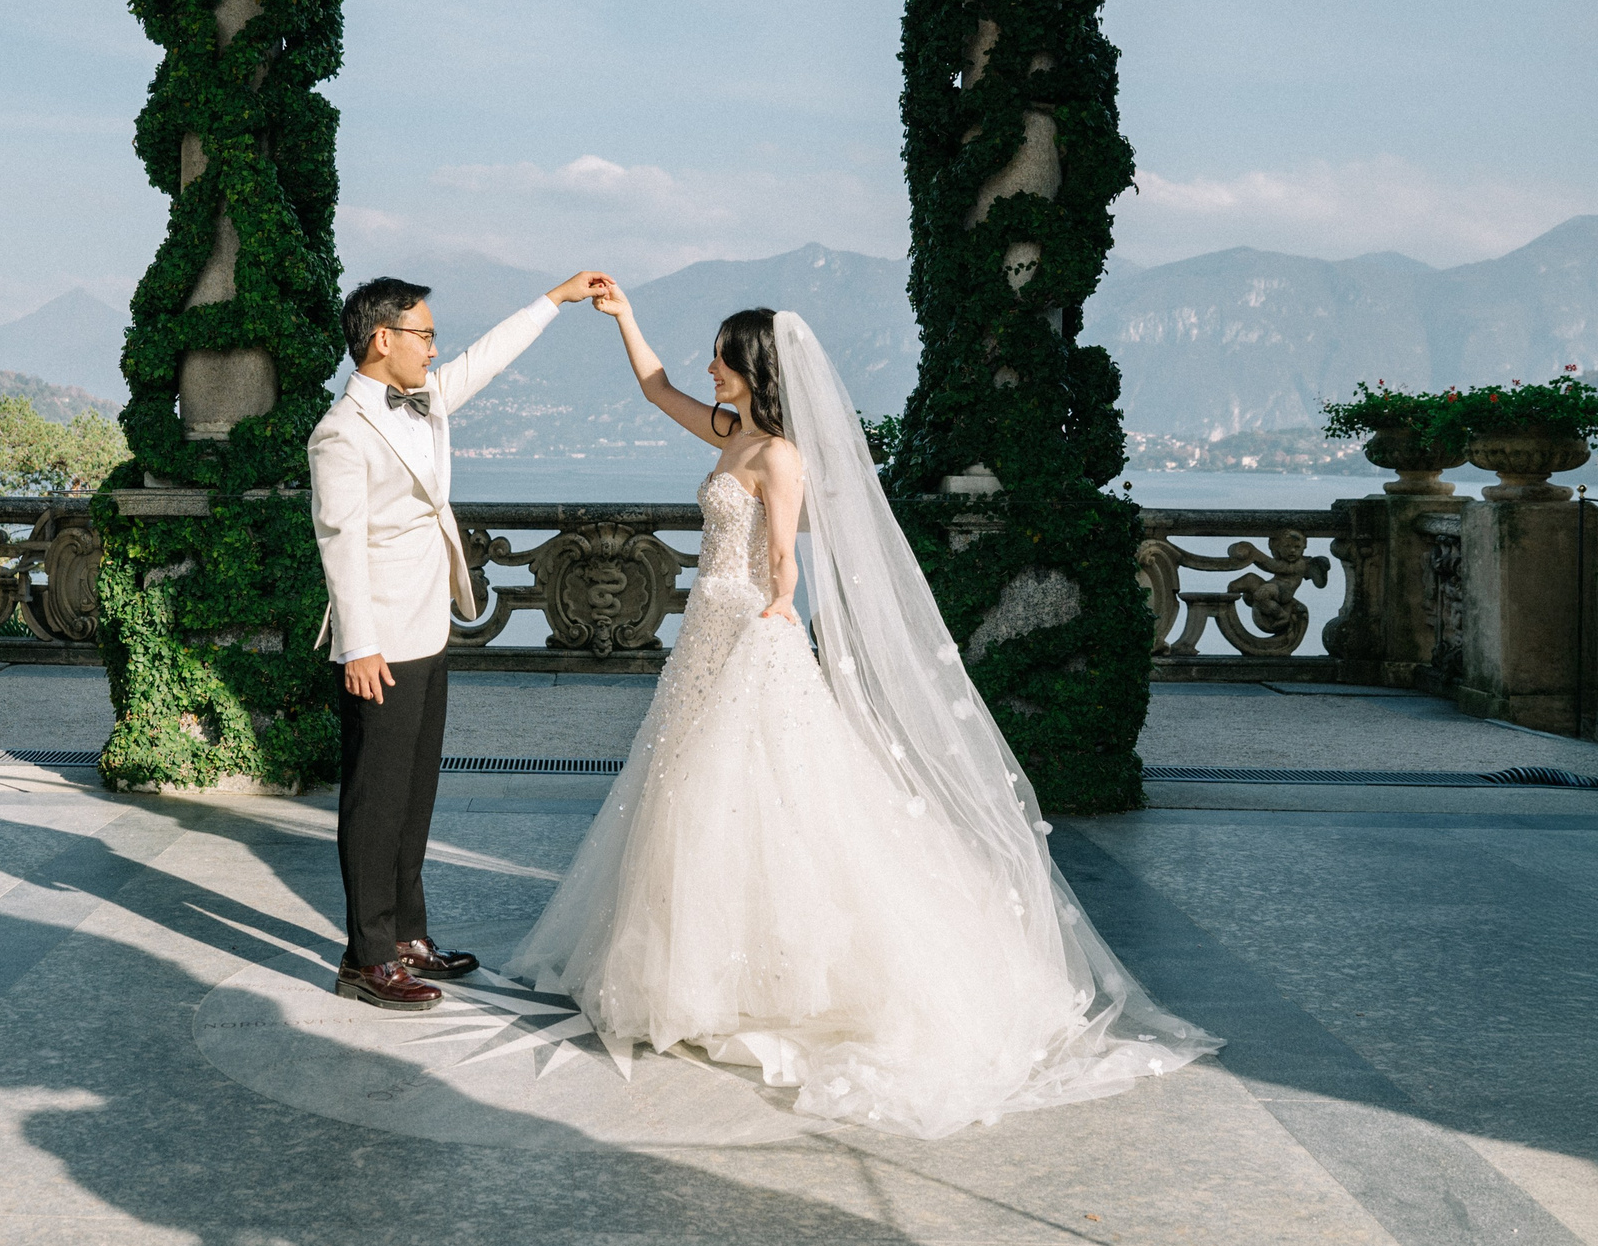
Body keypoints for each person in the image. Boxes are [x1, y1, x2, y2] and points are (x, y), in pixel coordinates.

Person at [508, 291, 1220, 1135]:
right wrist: (623, 315)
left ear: (754, 371)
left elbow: (784, 556)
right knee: (684, 785)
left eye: (722, 358)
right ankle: (693, 967)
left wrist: (778, 610)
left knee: (746, 792)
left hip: (746, 624)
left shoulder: (780, 455)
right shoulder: (734, 436)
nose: (709, 369)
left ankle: (761, 976)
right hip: (703, 628)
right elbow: (657, 390)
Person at [311, 270, 609, 1011]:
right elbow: (339, 544)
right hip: (379, 638)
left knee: (413, 795)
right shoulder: (341, 432)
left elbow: (486, 357)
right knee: (374, 801)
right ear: (383, 340)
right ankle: (366, 957)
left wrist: (556, 299)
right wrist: (360, 646)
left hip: (428, 624)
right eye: (425, 336)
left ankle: (409, 936)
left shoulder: (428, 401)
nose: (437, 350)